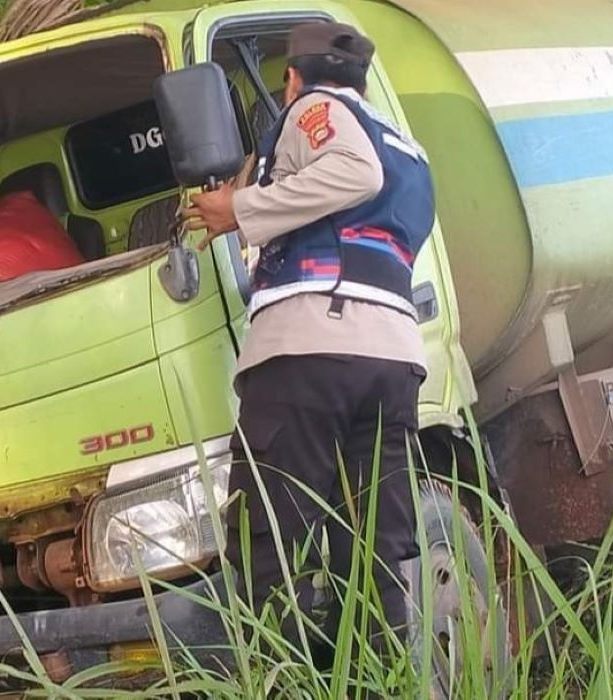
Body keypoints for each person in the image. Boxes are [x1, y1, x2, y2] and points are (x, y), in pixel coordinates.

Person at [183, 22, 436, 661]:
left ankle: (287, 679)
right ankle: (380, 675)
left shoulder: (314, 109)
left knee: (273, 540)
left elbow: (354, 173)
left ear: (292, 77)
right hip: (392, 360)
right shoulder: (409, 147)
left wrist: (240, 210)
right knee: (375, 544)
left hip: (310, 349)